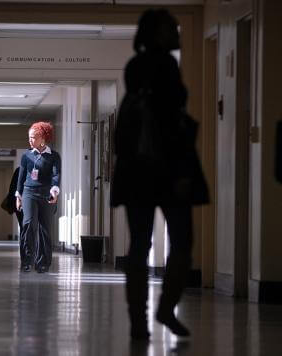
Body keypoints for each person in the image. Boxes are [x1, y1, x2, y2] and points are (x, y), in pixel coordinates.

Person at [111, 9, 209, 340]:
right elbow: (171, 124)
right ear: (158, 33)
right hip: (167, 169)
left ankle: (138, 321)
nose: (176, 31)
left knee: (139, 243)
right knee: (182, 241)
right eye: (170, 27)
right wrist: (182, 170)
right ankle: (166, 308)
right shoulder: (165, 67)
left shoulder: (134, 70)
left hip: (135, 171)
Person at [16, 122, 61, 273]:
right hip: (29, 192)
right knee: (28, 224)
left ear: (43, 138)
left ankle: (43, 263)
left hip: (46, 193)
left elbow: (56, 176)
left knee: (45, 228)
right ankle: (26, 261)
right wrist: (18, 196)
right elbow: (21, 178)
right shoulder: (26, 155)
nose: (30, 140)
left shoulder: (54, 156)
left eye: (33, 137)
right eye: (29, 137)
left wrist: (54, 192)